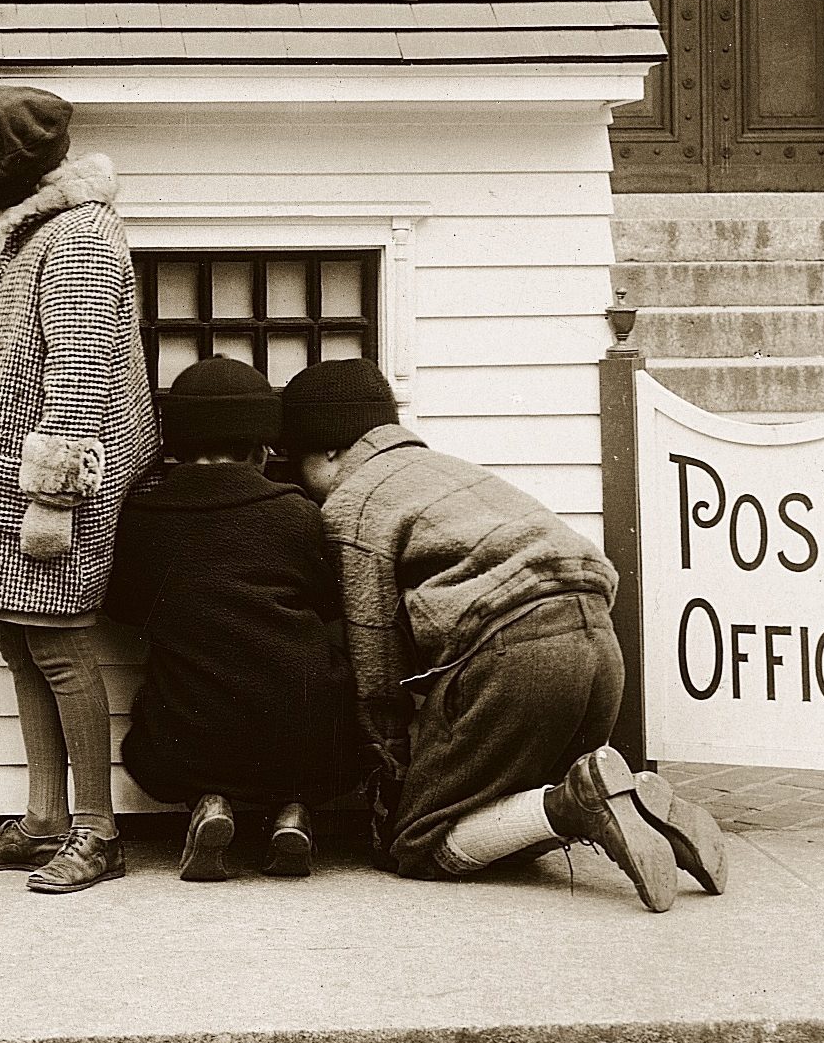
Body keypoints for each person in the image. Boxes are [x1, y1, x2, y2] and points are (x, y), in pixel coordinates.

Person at [278, 358, 728, 912]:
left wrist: (393, 761)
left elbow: (372, 654)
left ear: (327, 449)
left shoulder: (353, 502)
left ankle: (578, 804)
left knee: (418, 844)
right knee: (509, 816)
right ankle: (632, 798)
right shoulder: (449, 470)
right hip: (599, 645)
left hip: (515, 657)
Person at [0, 86, 159, 896]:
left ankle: (97, 832)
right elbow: (23, 360)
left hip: (54, 493)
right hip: (26, 485)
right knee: (18, 640)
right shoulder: (39, 236)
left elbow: (78, 381)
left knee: (57, 642)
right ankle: (45, 818)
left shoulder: (77, 240)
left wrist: (52, 502)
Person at [103, 357, 364, 881]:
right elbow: (333, 605)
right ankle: (293, 812)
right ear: (262, 451)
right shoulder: (296, 512)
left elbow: (124, 610)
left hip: (191, 733)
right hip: (308, 732)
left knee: (171, 713)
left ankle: (210, 803)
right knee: (313, 719)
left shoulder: (145, 520)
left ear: (174, 444)